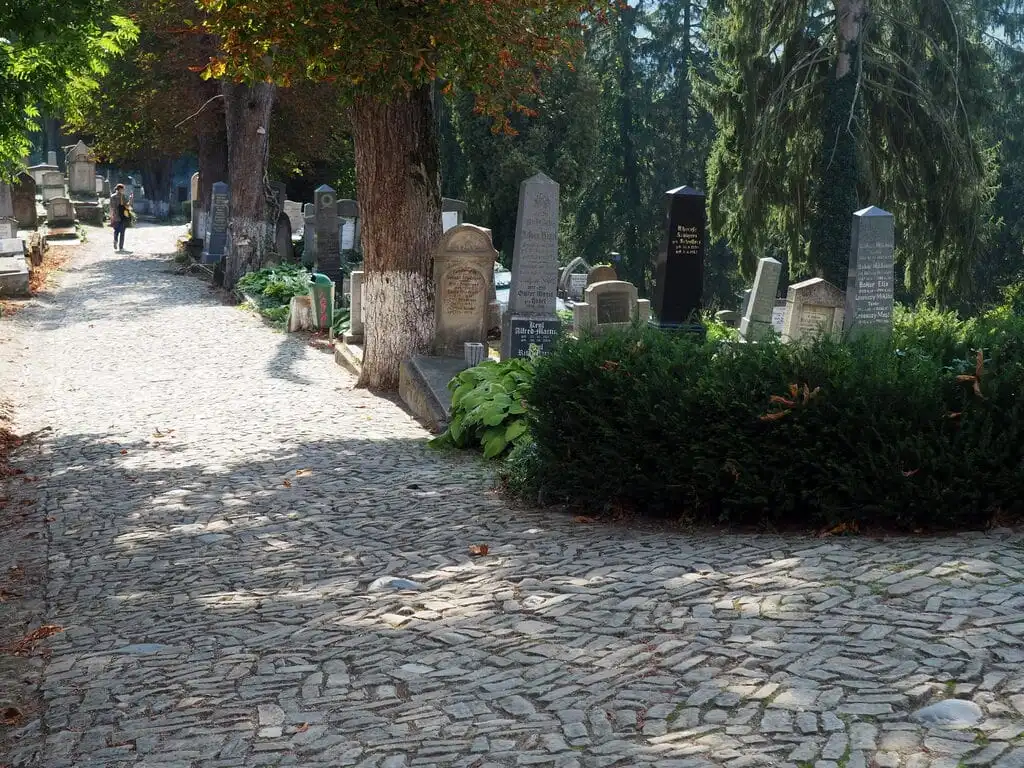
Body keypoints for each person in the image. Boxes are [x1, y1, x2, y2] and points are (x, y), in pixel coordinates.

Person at [109, 183, 130, 252]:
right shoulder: (123, 196)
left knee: (116, 230)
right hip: (122, 216)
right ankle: (121, 247)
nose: (123, 190)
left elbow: (111, 207)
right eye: (123, 189)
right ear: (120, 189)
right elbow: (127, 206)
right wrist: (131, 199)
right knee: (122, 232)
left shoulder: (112, 196)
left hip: (115, 216)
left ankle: (115, 240)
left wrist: (111, 216)